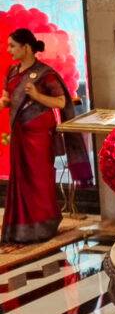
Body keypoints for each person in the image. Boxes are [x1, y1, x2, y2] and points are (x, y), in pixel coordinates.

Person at [1, 28, 91, 247]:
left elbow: (61, 102)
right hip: (20, 133)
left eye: (12, 45)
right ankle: (20, 228)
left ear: (26, 48)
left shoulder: (45, 74)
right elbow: (6, 97)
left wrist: (37, 95)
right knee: (20, 180)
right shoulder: (12, 72)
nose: (8, 49)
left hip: (39, 135)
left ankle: (44, 225)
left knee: (39, 180)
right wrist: (5, 102)